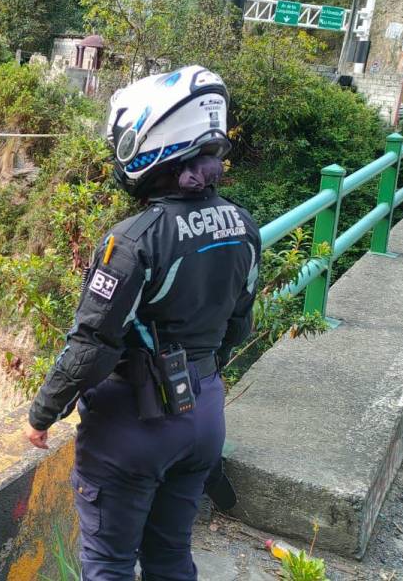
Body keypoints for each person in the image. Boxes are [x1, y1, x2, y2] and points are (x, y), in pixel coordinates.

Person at [22, 65, 261, 581]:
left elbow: (94, 343)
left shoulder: (133, 240)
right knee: (171, 556)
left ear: (153, 142)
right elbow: (240, 325)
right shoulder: (243, 225)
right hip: (204, 413)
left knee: (108, 562)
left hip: (136, 421)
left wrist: (44, 413)